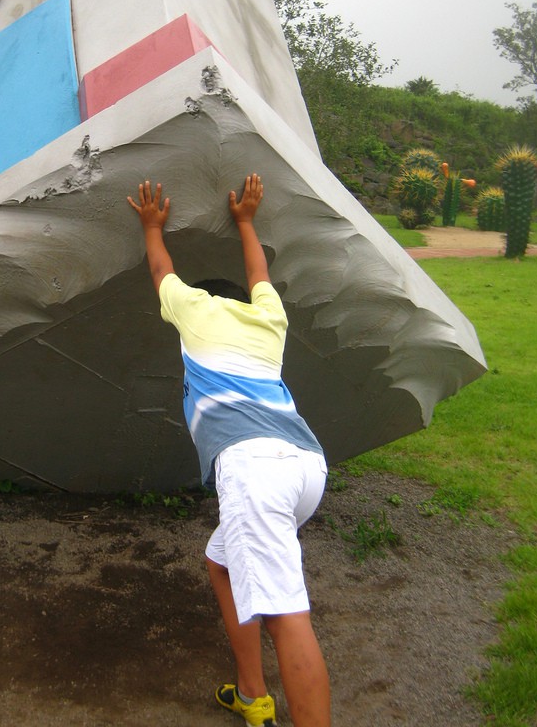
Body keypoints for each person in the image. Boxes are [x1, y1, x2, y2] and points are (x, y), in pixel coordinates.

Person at [127, 174, 331, 727]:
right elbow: (259, 273)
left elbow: (160, 270)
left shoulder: (196, 311)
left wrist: (151, 226)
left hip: (254, 468)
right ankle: (250, 693)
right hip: (304, 467)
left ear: (207, 301)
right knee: (221, 563)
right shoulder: (270, 320)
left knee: (287, 613)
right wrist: (246, 221)